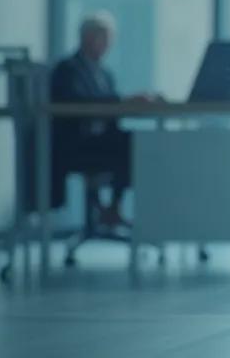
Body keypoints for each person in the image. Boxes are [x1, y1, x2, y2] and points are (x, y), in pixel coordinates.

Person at [50, 12, 162, 227]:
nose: (107, 45)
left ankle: (110, 208)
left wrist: (129, 104)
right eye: (103, 38)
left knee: (136, 141)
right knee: (129, 145)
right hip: (76, 145)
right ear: (87, 37)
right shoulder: (67, 69)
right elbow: (80, 104)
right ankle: (108, 209)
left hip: (101, 139)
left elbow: (109, 108)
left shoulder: (104, 73)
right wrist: (124, 101)